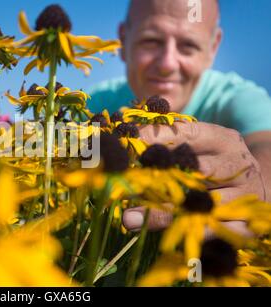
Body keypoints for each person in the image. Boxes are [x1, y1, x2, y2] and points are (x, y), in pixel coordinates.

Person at [87, 0, 271, 234]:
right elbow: (45, 145)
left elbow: (266, 143)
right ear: (124, 41)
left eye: (188, 45)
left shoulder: (237, 98)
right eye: (151, 41)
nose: (167, 64)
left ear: (212, 48)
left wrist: (261, 184)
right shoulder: (95, 105)